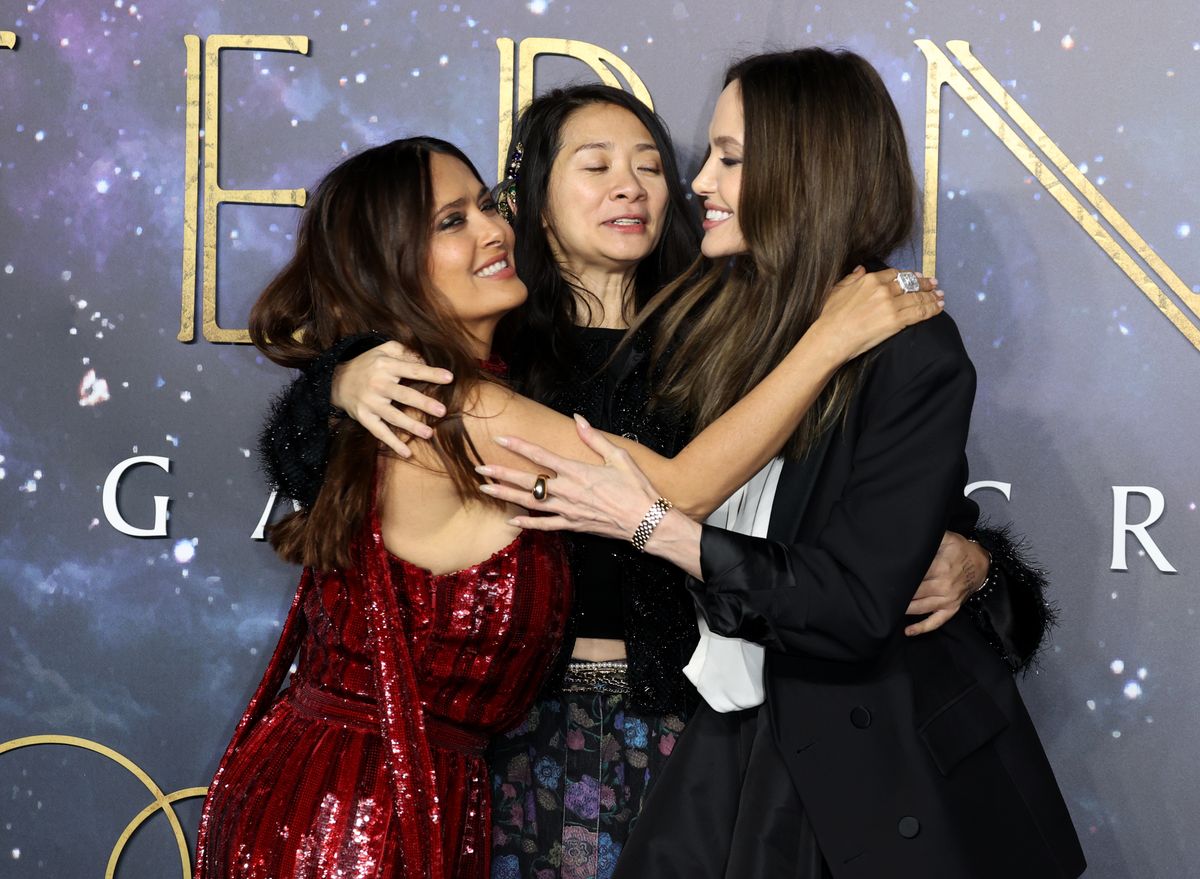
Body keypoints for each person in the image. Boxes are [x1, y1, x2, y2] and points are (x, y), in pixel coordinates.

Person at [259, 87, 1049, 879]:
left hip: (699, 729)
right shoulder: (494, 348)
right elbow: (328, 472)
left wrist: (978, 561)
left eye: (650, 166)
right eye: (596, 164)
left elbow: (856, 513)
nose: (631, 185)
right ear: (533, 202)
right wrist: (336, 383)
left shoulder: (734, 332)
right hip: (519, 736)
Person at [481, 49, 1086, 878]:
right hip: (691, 741)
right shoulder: (719, 323)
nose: (693, 184)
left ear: (806, 173)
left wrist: (979, 567)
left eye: (726, 159)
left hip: (847, 766)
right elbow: (651, 472)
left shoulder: (896, 343)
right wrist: (350, 372)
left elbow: (868, 579)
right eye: (706, 157)